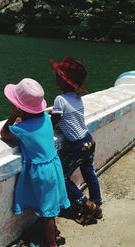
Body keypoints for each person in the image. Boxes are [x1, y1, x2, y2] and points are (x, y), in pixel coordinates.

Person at [0, 78, 70, 247]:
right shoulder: (46, 119)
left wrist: (13, 116)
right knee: (51, 205)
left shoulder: (21, 129)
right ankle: (53, 233)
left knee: (46, 212)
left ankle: (50, 246)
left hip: (41, 173)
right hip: (54, 165)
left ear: (19, 108)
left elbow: (4, 133)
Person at [49, 56, 103, 225]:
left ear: (64, 82)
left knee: (62, 177)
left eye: (58, 76)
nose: (56, 78)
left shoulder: (60, 99)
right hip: (88, 140)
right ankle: (97, 202)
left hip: (77, 144)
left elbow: (55, 121)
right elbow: (68, 115)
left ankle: (86, 204)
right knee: (88, 172)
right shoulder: (77, 97)